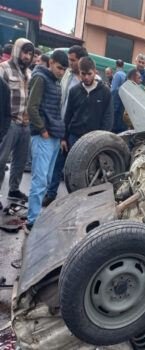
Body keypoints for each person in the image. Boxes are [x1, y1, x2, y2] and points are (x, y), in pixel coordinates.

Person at [25, 50, 69, 232]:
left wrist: (57, 136)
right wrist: (42, 130)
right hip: (44, 135)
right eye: (59, 68)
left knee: (47, 179)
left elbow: (54, 111)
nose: (61, 72)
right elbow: (31, 107)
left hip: (53, 136)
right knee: (40, 180)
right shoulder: (41, 79)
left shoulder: (54, 81)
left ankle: (36, 217)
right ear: (50, 62)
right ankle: (32, 221)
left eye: (64, 69)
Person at [43, 45, 88, 206]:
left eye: (72, 60)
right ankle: (50, 193)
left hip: (78, 129)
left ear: (81, 60)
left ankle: (74, 202)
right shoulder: (65, 75)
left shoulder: (89, 80)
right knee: (56, 163)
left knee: (77, 168)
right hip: (61, 126)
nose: (69, 63)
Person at [0, 38, 34, 205]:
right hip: (10, 123)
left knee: (20, 161)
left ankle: (13, 190)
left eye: (29, 53)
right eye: (24, 52)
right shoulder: (4, 69)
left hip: (25, 124)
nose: (27, 56)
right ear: (16, 51)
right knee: (1, 160)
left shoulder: (29, 73)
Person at [62, 57, 113, 163]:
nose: (86, 77)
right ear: (79, 72)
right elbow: (68, 115)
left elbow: (108, 117)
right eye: (83, 74)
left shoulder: (105, 92)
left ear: (95, 72)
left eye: (89, 74)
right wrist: (63, 138)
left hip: (94, 139)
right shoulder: (74, 91)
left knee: (89, 170)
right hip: (74, 137)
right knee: (72, 168)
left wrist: (102, 139)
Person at [111, 59, 127, 133]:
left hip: (116, 107)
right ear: (123, 66)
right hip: (123, 107)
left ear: (116, 66)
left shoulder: (117, 75)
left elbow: (114, 90)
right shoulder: (125, 75)